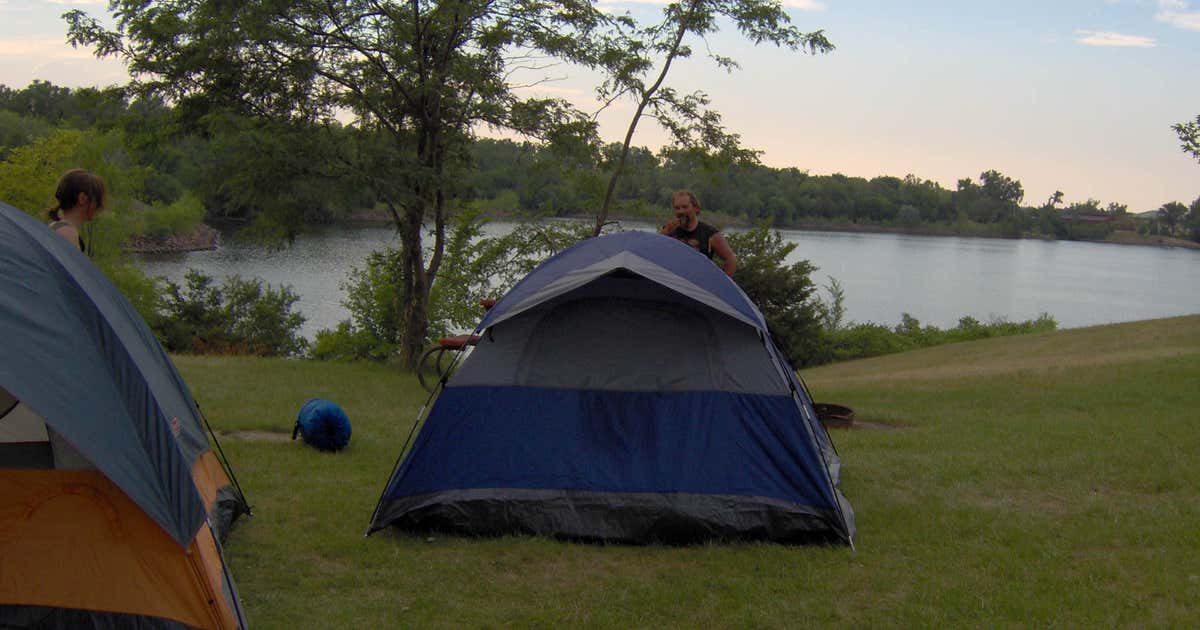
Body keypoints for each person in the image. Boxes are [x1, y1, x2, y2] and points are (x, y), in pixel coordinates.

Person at [659, 190, 737, 277]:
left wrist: (721, 285)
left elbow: (731, 259)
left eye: (685, 207)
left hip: (698, 285)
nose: (681, 211)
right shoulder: (670, 229)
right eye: (677, 208)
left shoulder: (709, 233)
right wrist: (666, 231)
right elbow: (653, 250)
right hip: (674, 282)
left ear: (696, 208)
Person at [46, 168, 107, 254]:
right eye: (97, 201)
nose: (100, 207)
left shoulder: (56, 227)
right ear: (82, 198)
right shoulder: (67, 233)